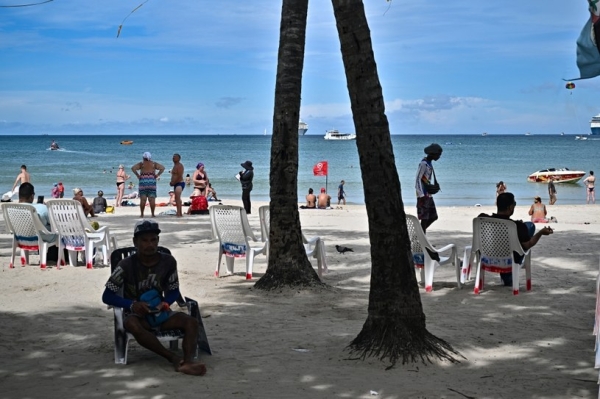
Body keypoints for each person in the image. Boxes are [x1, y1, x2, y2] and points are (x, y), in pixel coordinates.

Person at [101, 220, 207, 376]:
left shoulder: (168, 262)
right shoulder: (125, 265)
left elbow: (173, 290)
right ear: (135, 242)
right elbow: (107, 296)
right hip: (138, 316)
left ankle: (188, 361)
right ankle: (173, 358)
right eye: (144, 240)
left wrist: (165, 303)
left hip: (160, 314)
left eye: (153, 240)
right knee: (132, 323)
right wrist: (132, 305)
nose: (149, 244)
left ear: (158, 241)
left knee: (191, 322)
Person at [479, 192, 553, 286]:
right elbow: (528, 244)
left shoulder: (482, 219)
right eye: (514, 204)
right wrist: (541, 232)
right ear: (510, 207)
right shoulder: (517, 226)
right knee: (529, 226)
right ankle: (508, 277)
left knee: (522, 230)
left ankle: (506, 277)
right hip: (509, 259)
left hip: (488, 257)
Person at [415, 143, 443, 233]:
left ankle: (419, 235)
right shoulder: (423, 164)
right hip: (423, 195)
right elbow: (418, 179)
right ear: (432, 153)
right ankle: (422, 241)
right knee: (424, 219)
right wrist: (421, 195)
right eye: (438, 154)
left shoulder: (429, 163)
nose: (439, 156)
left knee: (433, 217)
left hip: (428, 195)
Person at [131, 152, 165, 218]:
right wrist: (157, 175)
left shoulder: (142, 164)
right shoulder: (153, 164)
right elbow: (162, 168)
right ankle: (152, 214)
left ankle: (142, 214)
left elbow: (133, 168)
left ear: (143, 157)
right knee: (152, 199)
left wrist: (138, 175)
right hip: (152, 183)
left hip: (143, 182)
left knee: (143, 199)